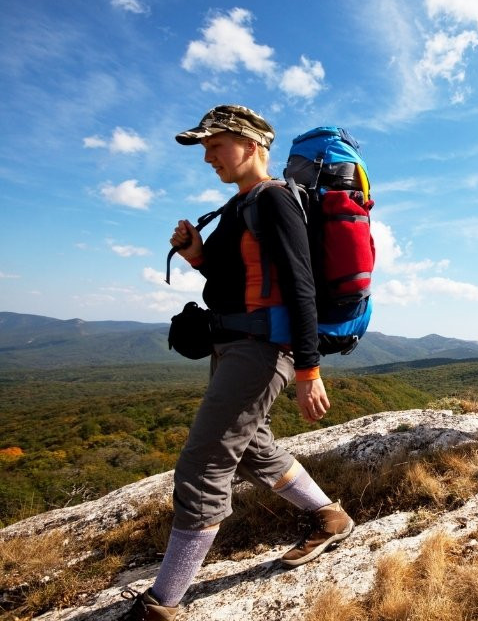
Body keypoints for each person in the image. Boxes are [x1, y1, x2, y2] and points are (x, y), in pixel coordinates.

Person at [120, 105, 354, 621]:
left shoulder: (274, 201)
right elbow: (232, 278)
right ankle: (330, 517)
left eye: (215, 145)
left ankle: (164, 603)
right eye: (205, 149)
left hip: (263, 350)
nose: (208, 157)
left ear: (251, 145)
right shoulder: (239, 205)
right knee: (250, 450)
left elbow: (300, 286)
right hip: (233, 345)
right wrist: (197, 254)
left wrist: (309, 369)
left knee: (203, 463)